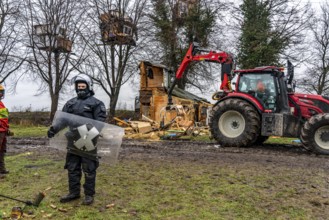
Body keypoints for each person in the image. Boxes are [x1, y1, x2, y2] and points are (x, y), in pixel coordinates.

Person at [47, 74, 107, 205]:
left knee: (89, 168)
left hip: (88, 139)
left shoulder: (96, 103)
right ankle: (74, 192)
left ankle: (89, 195)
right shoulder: (70, 103)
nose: (80, 88)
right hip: (73, 139)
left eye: (83, 86)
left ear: (88, 87)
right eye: (78, 86)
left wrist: (89, 134)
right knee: (72, 167)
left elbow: (100, 122)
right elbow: (63, 119)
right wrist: (54, 129)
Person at [0, 84, 10, 175]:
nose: (2, 94)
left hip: (3, 130)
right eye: (0, 92)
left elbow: (4, 117)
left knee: (2, 150)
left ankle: (2, 169)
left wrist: (7, 127)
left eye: (2, 92)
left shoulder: (1, 104)